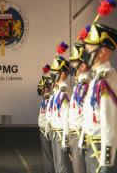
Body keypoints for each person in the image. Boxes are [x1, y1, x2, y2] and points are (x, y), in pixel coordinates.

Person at [78, 21, 117, 173]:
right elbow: (89, 116)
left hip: (100, 153)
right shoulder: (98, 80)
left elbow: (109, 125)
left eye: (89, 49)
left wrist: (106, 161)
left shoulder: (106, 81)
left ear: (102, 52)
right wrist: (82, 141)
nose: (85, 54)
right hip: (93, 148)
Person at [46, 42, 73, 173]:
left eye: (57, 73)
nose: (54, 76)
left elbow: (66, 115)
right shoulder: (56, 90)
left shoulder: (64, 89)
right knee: (58, 167)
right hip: (55, 131)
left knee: (62, 167)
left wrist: (65, 140)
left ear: (63, 74)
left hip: (61, 133)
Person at [68, 41, 90, 173]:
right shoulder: (78, 84)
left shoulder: (86, 83)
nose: (72, 65)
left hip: (80, 132)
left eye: (75, 62)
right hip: (75, 132)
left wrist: (82, 137)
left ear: (82, 64)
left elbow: (87, 112)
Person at [37, 64, 55, 173]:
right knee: (47, 156)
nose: (41, 90)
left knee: (50, 156)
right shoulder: (45, 98)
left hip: (47, 130)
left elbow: (50, 115)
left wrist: (47, 129)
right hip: (43, 129)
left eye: (43, 88)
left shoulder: (51, 98)